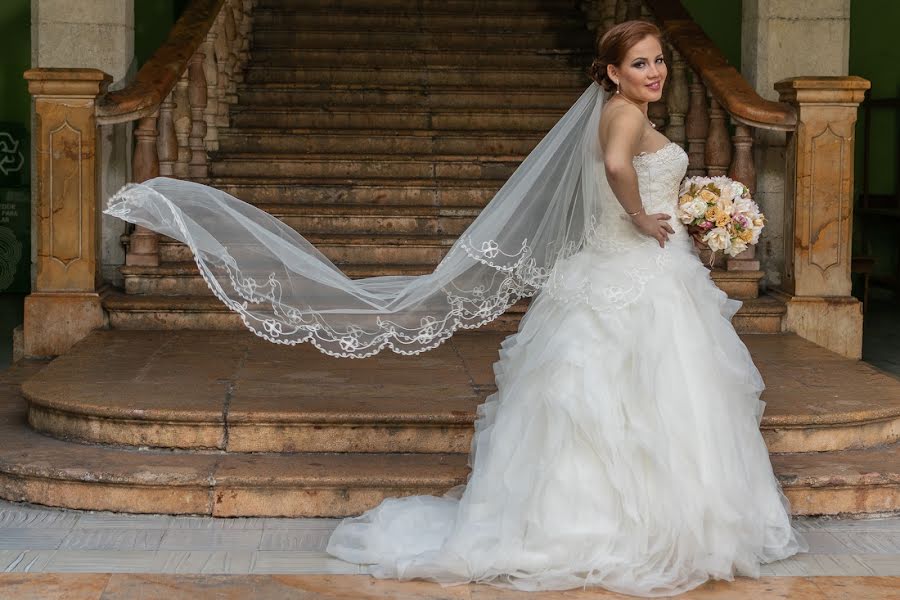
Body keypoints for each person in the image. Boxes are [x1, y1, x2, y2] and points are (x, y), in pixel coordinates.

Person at [105, 20, 807, 597]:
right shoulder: (623, 117)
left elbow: (627, 169)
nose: (654, 72)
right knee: (638, 397)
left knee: (627, 400)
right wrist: (647, 217)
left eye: (658, 62)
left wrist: (691, 211)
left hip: (632, 272)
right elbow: (622, 169)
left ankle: (623, 521)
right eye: (641, 64)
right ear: (613, 73)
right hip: (632, 271)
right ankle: (635, 528)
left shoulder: (620, 112)